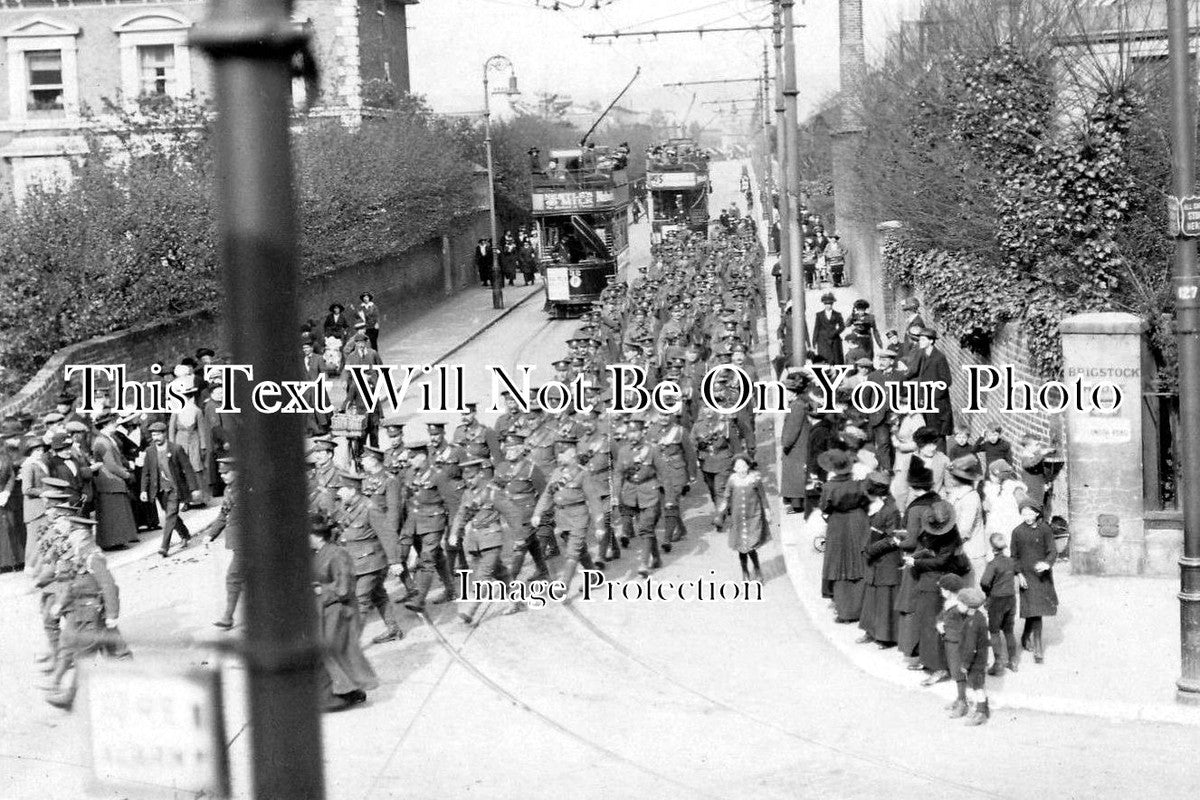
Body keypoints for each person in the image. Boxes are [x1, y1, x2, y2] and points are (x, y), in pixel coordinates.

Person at [309, 513, 379, 712]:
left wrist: (321, 590)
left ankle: (339, 697)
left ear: (315, 535)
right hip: (325, 610)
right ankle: (349, 692)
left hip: (340, 613)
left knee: (330, 653)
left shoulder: (337, 554)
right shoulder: (318, 553)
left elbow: (344, 588)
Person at [335, 471, 404, 643]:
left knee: (361, 600)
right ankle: (393, 629)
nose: (338, 493)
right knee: (378, 595)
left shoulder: (370, 508)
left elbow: (388, 535)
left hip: (372, 563)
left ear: (352, 490)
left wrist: (395, 561)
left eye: (342, 489)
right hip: (357, 562)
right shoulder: (348, 507)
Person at [905, 498, 966, 685]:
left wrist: (916, 562)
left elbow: (941, 561)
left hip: (938, 582)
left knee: (935, 624)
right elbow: (930, 550)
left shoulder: (951, 537)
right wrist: (918, 555)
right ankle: (927, 660)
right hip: (928, 581)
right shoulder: (938, 527)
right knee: (925, 622)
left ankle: (939, 667)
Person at [817, 448, 869, 623]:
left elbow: (824, 507)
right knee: (859, 562)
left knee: (840, 564)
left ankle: (845, 611)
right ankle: (862, 607)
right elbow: (865, 500)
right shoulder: (859, 484)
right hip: (859, 522)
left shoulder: (829, 487)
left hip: (838, 525)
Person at [141, 421, 201, 557]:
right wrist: (143, 490)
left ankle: (164, 546)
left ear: (164, 434)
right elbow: (146, 472)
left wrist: (194, 488)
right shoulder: (150, 452)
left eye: (158, 434)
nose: (155, 438)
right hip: (160, 490)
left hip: (175, 488)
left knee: (170, 516)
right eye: (153, 435)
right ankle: (185, 534)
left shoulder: (176, 449)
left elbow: (188, 469)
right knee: (171, 515)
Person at [1010, 495, 1058, 665]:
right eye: (1024, 514)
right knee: (1035, 610)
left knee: (1036, 610)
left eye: (1030, 513)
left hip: (1042, 576)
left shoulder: (1045, 529)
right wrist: (1019, 574)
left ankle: (1026, 638)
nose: (1027, 517)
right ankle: (1038, 649)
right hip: (1026, 576)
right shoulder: (1017, 532)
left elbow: (1052, 551)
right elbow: (1014, 557)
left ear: (1037, 513)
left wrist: (1047, 563)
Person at [859, 471, 902, 648]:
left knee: (885, 600)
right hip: (875, 562)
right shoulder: (879, 504)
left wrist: (872, 550)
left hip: (886, 561)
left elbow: (895, 539)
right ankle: (871, 630)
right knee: (872, 597)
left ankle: (885, 637)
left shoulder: (891, 509)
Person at [714, 452, 772, 582]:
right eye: (738, 467)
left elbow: (763, 497)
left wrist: (767, 512)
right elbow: (726, 497)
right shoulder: (732, 480)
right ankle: (745, 572)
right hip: (738, 519)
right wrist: (720, 512)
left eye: (744, 466)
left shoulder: (755, 479)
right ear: (734, 469)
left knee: (751, 546)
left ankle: (757, 570)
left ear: (748, 466)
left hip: (754, 517)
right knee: (742, 549)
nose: (741, 470)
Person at [202, 457, 242, 629]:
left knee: (233, 578)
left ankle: (228, 617)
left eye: (227, 473)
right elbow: (224, 513)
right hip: (238, 542)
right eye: (221, 474)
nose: (223, 476)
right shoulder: (229, 489)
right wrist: (210, 534)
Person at [89, 412, 138, 549]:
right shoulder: (102, 442)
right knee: (113, 513)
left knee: (117, 512)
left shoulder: (106, 439)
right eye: (112, 422)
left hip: (110, 480)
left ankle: (118, 540)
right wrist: (126, 475)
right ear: (105, 425)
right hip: (109, 481)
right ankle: (113, 542)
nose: (115, 424)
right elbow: (111, 465)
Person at [899, 328, 953, 451]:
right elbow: (913, 371)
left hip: (937, 403)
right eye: (920, 339)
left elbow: (947, 381)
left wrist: (932, 396)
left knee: (938, 434)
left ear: (931, 341)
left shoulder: (939, 357)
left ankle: (942, 461)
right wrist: (900, 379)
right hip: (924, 401)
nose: (920, 342)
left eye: (923, 339)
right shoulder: (921, 353)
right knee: (926, 431)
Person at [979, 532, 1018, 675]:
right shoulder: (1011, 561)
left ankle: (998, 663)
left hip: (997, 600)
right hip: (1011, 599)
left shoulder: (992, 564)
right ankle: (1013, 661)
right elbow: (1016, 571)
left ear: (992, 549)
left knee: (994, 631)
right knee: (1009, 631)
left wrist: (988, 592)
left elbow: (984, 582)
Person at [945, 455, 985, 584]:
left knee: (972, 591)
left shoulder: (971, 498)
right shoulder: (955, 494)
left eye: (953, 476)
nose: (950, 478)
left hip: (971, 553)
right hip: (959, 551)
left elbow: (964, 530)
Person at [957, 587, 992, 725]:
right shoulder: (978, 616)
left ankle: (981, 712)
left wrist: (965, 664)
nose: (958, 606)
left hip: (975, 662)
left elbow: (970, 647)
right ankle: (981, 708)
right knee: (978, 685)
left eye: (960, 603)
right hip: (980, 659)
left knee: (977, 687)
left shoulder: (972, 623)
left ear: (968, 605)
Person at [935, 573, 968, 716]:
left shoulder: (958, 607)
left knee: (958, 672)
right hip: (950, 641)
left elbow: (961, 626)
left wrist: (943, 626)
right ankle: (960, 697)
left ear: (948, 590)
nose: (941, 592)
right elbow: (941, 616)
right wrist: (940, 623)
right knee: (955, 671)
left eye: (942, 589)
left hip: (957, 643)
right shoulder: (950, 604)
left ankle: (962, 704)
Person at [811, 293, 846, 365]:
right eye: (826, 304)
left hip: (834, 339)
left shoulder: (837, 314)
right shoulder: (819, 315)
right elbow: (816, 327)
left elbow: (842, 326)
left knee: (835, 358)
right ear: (824, 304)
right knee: (824, 357)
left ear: (832, 304)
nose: (828, 306)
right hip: (822, 340)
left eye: (830, 304)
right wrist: (814, 341)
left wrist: (835, 332)